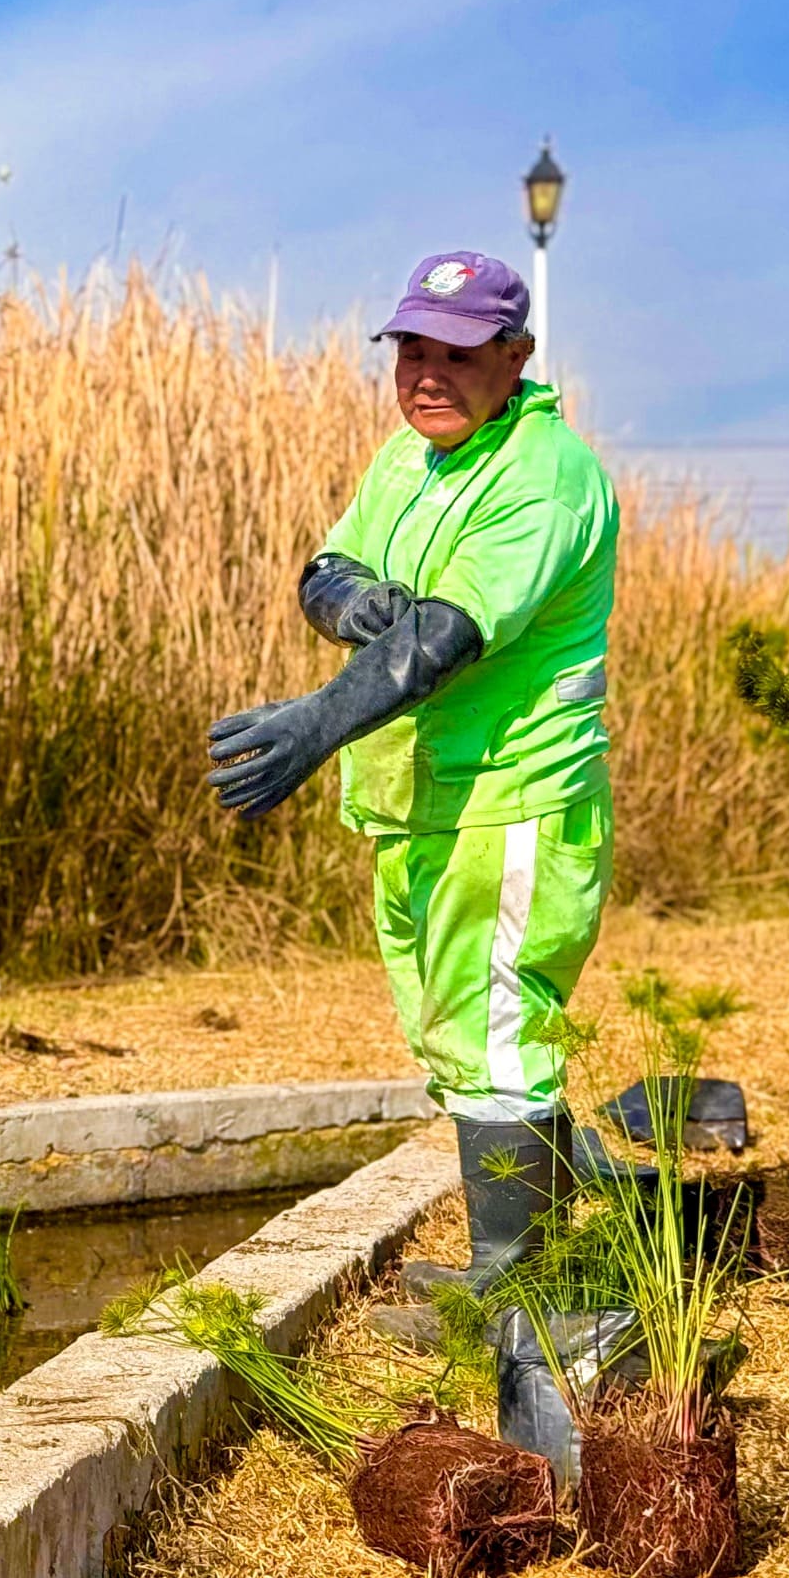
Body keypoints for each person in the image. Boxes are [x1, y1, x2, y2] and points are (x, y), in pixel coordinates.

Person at [206, 252, 617, 1296]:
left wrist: (313, 724)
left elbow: (448, 633)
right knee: (454, 1029)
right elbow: (324, 566)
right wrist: (349, 606)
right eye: (412, 352)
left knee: (494, 1026)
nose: (426, 375)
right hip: (412, 801)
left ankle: (510, 1277)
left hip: (508, 798)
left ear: (514, 357)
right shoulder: (406, 459)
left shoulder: (544, 473)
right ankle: (553, 1249)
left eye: (458, 354)